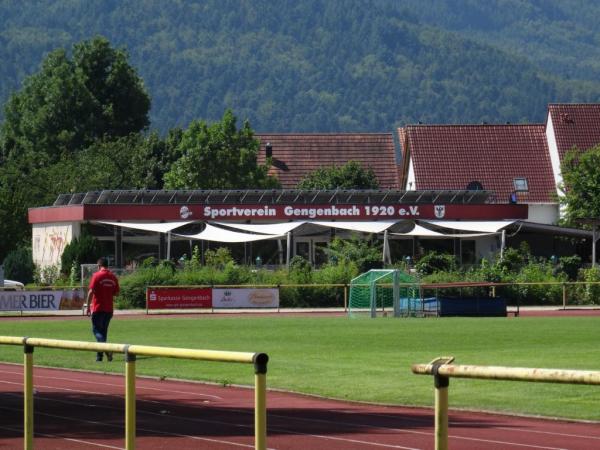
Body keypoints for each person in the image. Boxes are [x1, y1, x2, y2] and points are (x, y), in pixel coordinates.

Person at [86, 257, 120, 362]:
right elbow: (117, 293)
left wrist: (87, 307)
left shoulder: (96, 276)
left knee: (96, 330)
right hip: (109, 309)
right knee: (103, 332)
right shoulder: (113, 277)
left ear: (99, 266)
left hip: (98, 308)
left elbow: (91, 292)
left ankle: (107, 350)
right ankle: (99, 357)